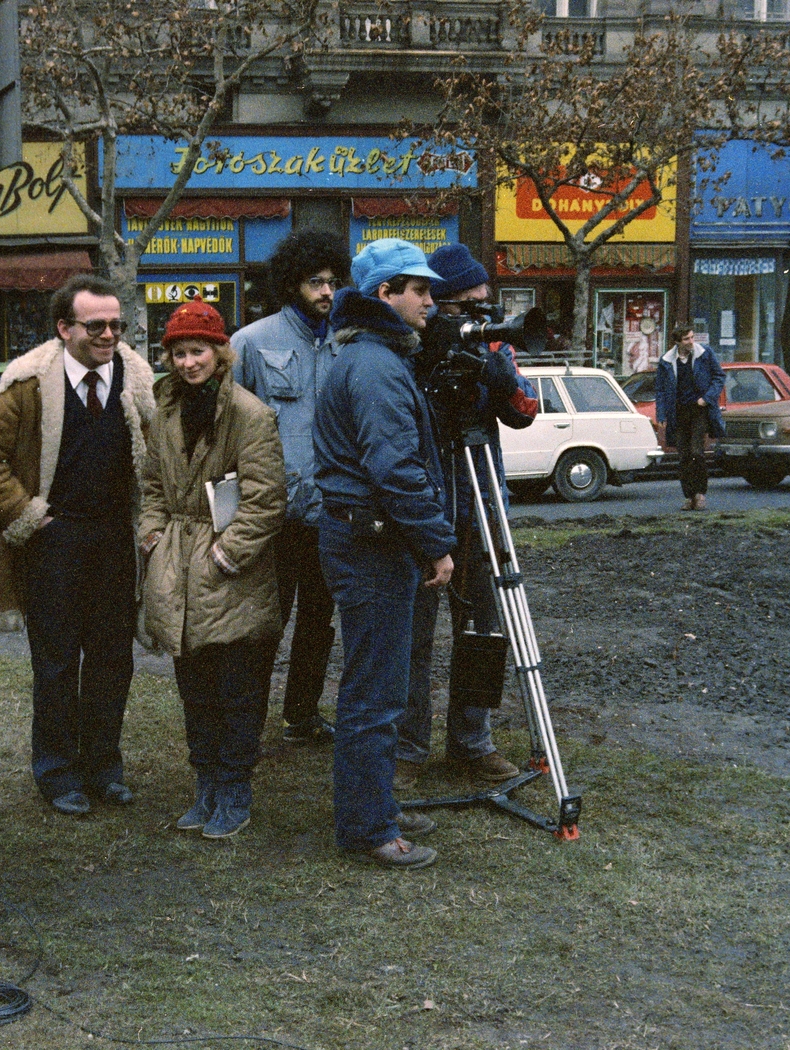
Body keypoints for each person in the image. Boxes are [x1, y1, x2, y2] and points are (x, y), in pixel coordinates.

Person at [0, 273, 156, 816]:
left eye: (117, 325)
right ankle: (56, 773)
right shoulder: (28, 384)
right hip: (53, 546)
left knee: (113, 661)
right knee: (55, 664)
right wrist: (27, 514)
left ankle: (104, 768)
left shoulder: (137, 380)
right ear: (63, 327)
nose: (109, 335)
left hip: (116, 544)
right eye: (96, 325)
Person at [313, 238, 454, 871]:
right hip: (371, 542)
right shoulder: (374, 364)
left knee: (376, 685)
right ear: (383, 296)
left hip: (366, 537)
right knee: (375, 691)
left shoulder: (367, 354)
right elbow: (395, 467)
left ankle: (374, 807)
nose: (430, 299)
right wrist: (435, 543)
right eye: (418, 289)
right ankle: (370, 828)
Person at [140, 300, 287, 839]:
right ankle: (205, 783)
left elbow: (267, 498)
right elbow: (151, 482)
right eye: (177, 353)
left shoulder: (249, 414)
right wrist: (153, 535)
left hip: (231, 571)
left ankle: (235, 787)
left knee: (239, 686)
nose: (186, 362)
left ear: (220, 353)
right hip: (177, 560)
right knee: (193, 684)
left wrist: (229, 553)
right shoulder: (164, 410)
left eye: (197, 350)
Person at [398, 244, 541, 788]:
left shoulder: (494, 344)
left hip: (482, 500)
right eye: (466, 307)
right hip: (428, 501)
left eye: (486, 304)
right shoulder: (413, 349)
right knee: (414, 633)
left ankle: (471, 740)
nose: (481, 317)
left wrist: (502, 378)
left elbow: (526, 412)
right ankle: (407, 748)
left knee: (483, 627)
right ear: (438, 304)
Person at [232, 229, 351, 746]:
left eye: (332, 282)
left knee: (319, 623)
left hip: (331, 515)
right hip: (272, 517)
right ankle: (247, 726)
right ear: (291, 284)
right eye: (314, 282)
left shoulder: (349, 342)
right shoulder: (252, 342)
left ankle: (301, 715)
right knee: (262, 627)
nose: (326, 292)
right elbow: (227, 427)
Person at [655, 327, 726, 511]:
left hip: (699, 410)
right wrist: (661, 414)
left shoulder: (704, 354)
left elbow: (719, 376)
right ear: (677, 342)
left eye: (692, 337)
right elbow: (661, 389)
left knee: (696, 452)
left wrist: (707, 398)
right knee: (684, 456)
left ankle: (700, 494)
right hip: (678, 412)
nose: (691, 341)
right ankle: (688, 496)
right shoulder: (667, 361)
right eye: (686, 339)